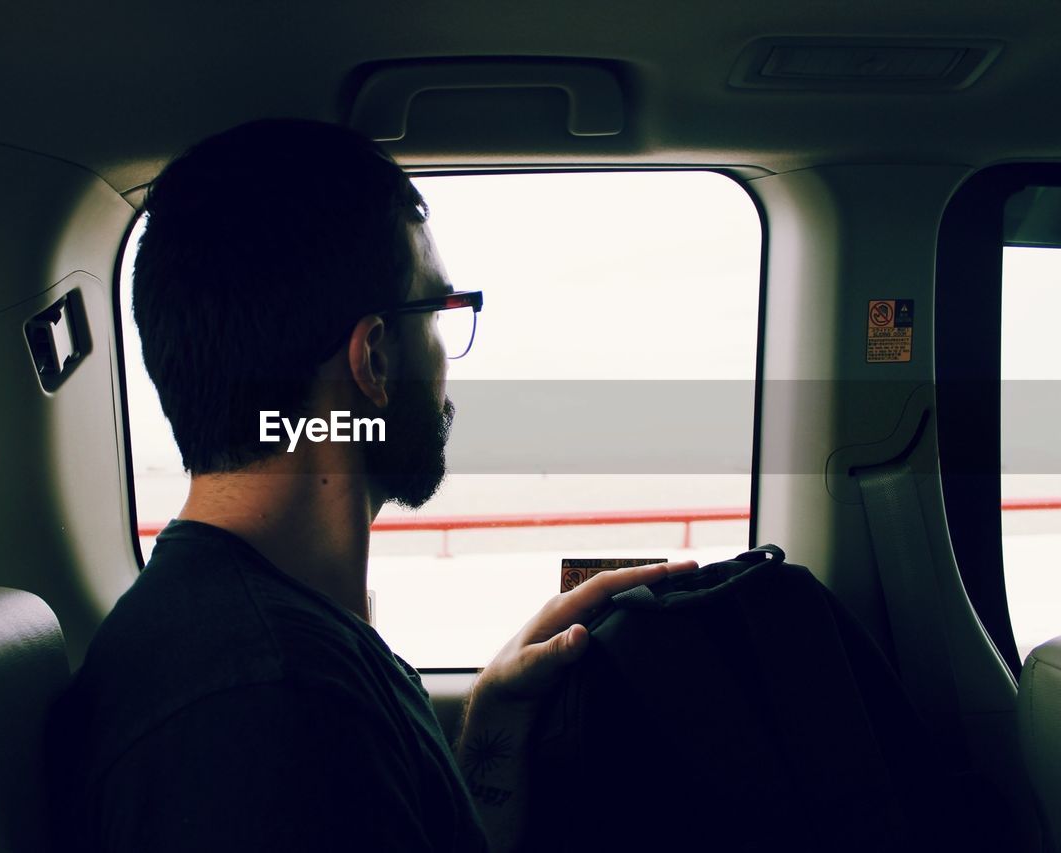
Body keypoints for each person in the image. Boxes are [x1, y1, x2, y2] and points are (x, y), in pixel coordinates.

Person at [47, 118, 693, 852]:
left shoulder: (266, 643)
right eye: (440, 314)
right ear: (375, 361)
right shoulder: (268, 704)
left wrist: (490, 724)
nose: (447, 361)